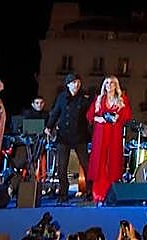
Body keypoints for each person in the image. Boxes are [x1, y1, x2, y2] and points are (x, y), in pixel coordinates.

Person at [47, 72, 93, 203]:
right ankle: (63, 193)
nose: (76, 85)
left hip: (80, 135)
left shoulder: (84, 98)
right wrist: (49, 126)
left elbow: (90, 114)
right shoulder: (62, 97)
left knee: (86, 165)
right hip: (64, 136)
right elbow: (56, 112)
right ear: (68, 84)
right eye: (73, 82)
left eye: (78, 82)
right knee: (62, 166)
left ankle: (90, 191)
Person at [86, 76, 132, 203]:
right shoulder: (99, 99)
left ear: (116, 85)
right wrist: (98, 119)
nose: (109, 85)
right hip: (100, 135)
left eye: (112, 83)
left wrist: (118, 117)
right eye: (107, 83)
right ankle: (98, 194)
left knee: (112, 162)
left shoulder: (122, 100)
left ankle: (110, 194)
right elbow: (90, 115)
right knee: (100, 162)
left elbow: (127, 116)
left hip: (114, 134)